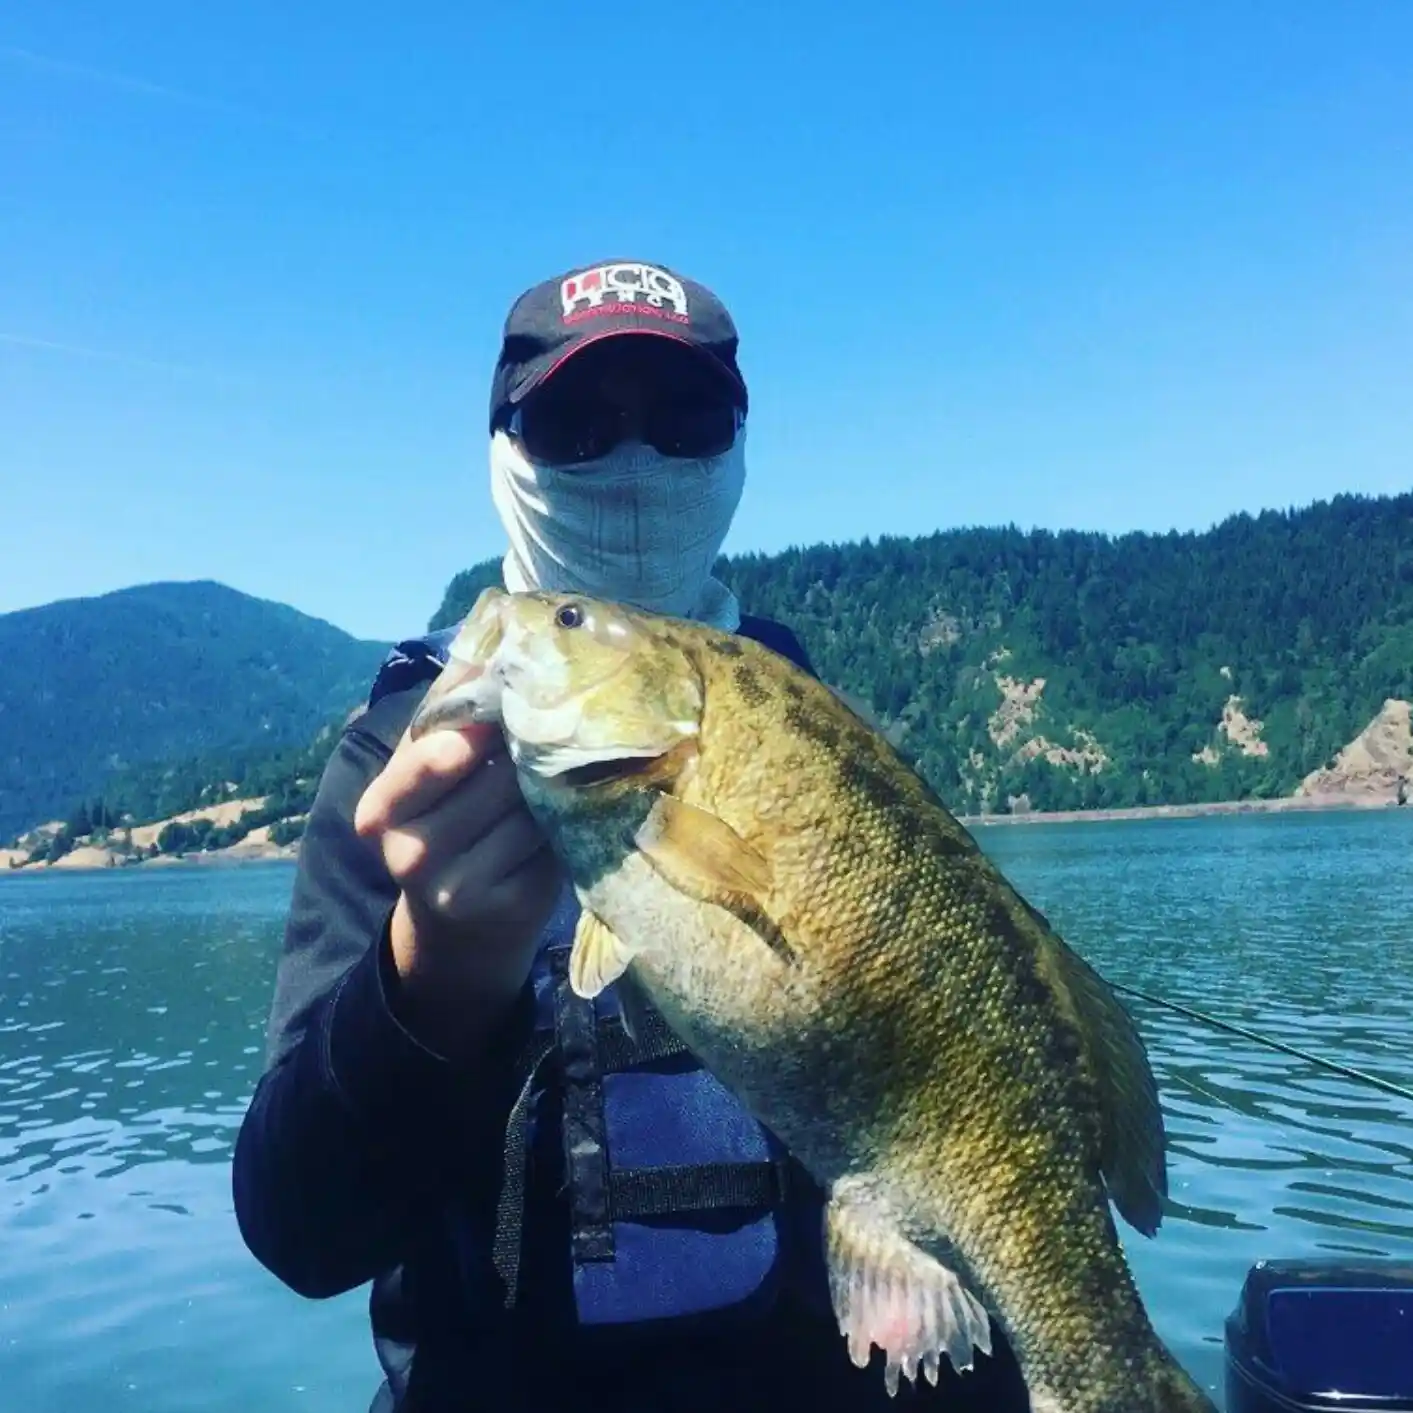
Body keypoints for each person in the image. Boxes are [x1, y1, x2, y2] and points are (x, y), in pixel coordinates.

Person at [232, 260, 1029, 1413]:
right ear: (505, 450)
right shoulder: (397, 767)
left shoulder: (811, 737)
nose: (636, 462)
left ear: (741, 446)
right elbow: (301, 1232)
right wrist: (429, 984)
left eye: (686, 419)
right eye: (574, 424)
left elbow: (973, 1084)